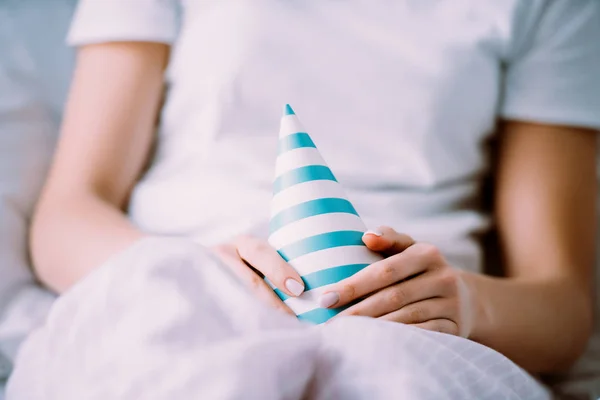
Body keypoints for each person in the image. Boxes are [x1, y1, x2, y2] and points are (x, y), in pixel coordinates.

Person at [27, 0, 600, 397]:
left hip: (412, 326)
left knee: (386, 369)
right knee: (179, 354)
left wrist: (470, 306)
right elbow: (68, 214)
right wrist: (194, 267)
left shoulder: (553, 8)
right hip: (180, 274)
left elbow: (564, 307)